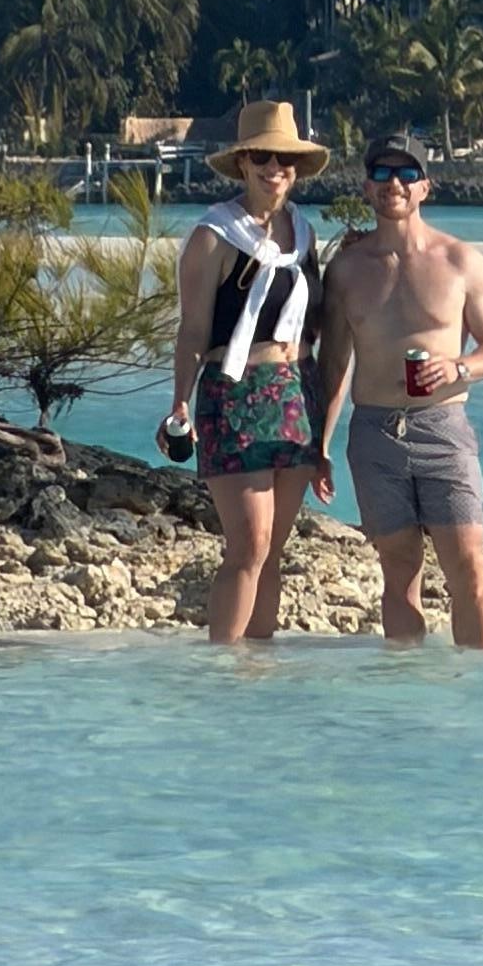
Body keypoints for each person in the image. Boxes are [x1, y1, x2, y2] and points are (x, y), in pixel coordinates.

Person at [316, 131, 483, 650]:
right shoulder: (346, 269)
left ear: (425, 186)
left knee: (467, 568)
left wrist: (459, 369)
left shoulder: (460, 261)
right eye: (382, 173)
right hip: (374, 432)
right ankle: (406, 686)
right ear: (366, 186)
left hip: (443, 429)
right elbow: (333, 363)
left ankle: (474, 682)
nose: (394, 184)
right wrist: (319, 445)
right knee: (398, 571)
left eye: (407, 173)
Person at [161, 99, 332, 644]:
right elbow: (193, 330)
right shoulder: (213, 235)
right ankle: (223, 666)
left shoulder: (304, 233)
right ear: (242, 163)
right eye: (262, 157)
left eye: (285, 159)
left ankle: (259, 665)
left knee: (274, 550)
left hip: (297, 396)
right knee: (248, 546)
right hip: (233, 396)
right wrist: (180, 402)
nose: (274, 168)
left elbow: (319, 321)